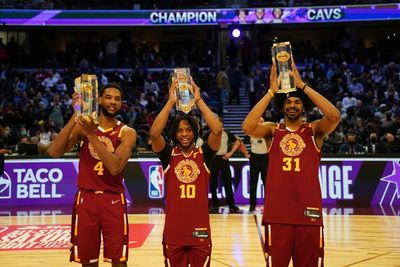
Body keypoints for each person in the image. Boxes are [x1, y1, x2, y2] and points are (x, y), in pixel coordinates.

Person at [242, 59, 341, 266]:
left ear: (303, 105)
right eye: (288, 102)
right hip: (278, 214)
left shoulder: (314, 131)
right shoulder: (272, 130)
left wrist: (303, 85)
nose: (292, 105)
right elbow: (248, 127)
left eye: (297, 101)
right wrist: (270, 92)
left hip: (309, 213)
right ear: (282, 106)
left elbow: (334, 116)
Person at [48, 83, 137, 267]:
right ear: (99, 100)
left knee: (119, 261)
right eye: (108, 97)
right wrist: (76, 115)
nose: (113, 102)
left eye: (117, 99)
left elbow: (115, 167)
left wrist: (91, 135)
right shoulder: (83, 126)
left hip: (113, 200)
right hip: (86, 199)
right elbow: (54, 151)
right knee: (88, 262)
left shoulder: (127, 132)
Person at [149, 77, 222, 267]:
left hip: (200, 230)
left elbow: (217, 130)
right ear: (174, 134)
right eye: (180, 130)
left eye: (188, 130)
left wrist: (198, 100)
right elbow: (154, 134)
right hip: (174, 231)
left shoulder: (204, 154)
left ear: (195, 132)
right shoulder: (168, 155)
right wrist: (170, 102)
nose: (184, 134)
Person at [208, 117, 241, 213]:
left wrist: (230, 153)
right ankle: (214, 205)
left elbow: (238, 142)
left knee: (227, 182)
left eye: (218, 123)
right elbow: (200, 143)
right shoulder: (210, 133)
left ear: (222, 124)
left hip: (224, 158)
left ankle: (231, 205)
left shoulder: (226, 133)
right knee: (213, 183)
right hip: (213, 159)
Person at [243, 117, 269, 213]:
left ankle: (268, 205)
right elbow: (241, 142)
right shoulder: (251, 133)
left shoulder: (268, 133)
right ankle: (252, 205)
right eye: (259, 122)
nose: (261, 123)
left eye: (262, 121)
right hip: (254, 158)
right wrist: (246, 153)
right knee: (253, 183)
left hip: (266, 158)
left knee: (267, 183)